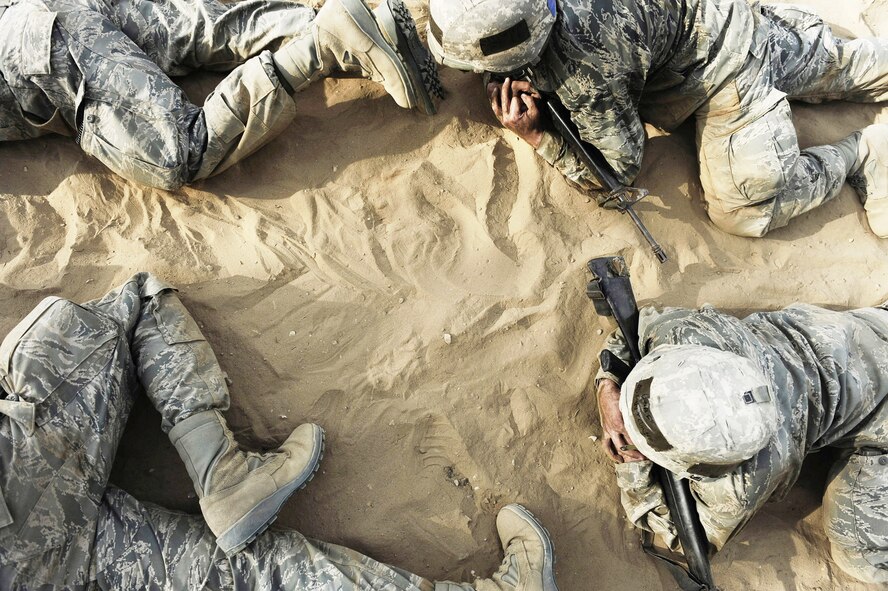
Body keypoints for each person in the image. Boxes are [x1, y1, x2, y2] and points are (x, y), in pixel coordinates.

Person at [0, 273, 559, 591]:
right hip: (25, 472)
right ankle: (221, 472)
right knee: (138, 301)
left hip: (33, 576)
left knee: (259, 578)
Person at [427, 0, 888, 238]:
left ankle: (858, 153)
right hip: (708, 14)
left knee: (745, 212)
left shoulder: (584, 67)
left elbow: (618, 170)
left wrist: (536, 136)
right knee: (846, 64)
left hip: (724, 62)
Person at [589, 301, 888, 584]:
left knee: (860, 556)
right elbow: (634, 329)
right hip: (868, 330)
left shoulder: (750, 477)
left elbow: (689, 539)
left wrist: (633, 465)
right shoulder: (692, 334)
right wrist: (608, 388)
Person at [0, 0, 443, 190]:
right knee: (197, 33)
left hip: (36, 54)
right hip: (35, 12)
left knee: (180, 153)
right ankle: (352, 24)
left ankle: (321, 44)